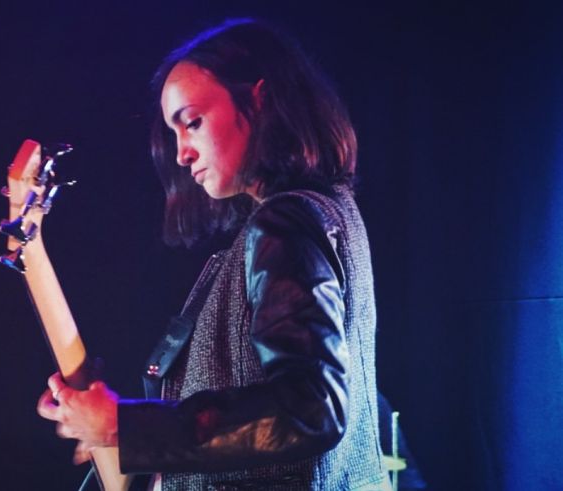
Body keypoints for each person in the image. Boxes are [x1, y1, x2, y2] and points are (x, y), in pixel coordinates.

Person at [38, 18, 390, 490]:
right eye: (173, 132)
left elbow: (310, 409)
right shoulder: (316, 213)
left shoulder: (285, 222)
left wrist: (125, 426)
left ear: (261, 100)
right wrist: (114, 420)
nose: (181, 153)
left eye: (193, 122)